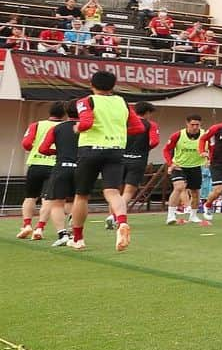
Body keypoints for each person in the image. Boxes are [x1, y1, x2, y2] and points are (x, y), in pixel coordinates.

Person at [69, 69, 146, 251]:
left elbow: (86, 123)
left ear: (91, 85)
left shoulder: (86, 101)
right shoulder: (122, 102)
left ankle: (78, 238)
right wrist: (117, 133)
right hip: (116, 150)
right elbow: (139, 127)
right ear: (113, 86)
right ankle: (121, 222)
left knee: (81, 195)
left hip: (91, 150)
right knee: (112, 191)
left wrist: (77, 128)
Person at [107, 101, 161, 230]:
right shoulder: (150, 125)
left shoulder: (124, 122)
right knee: (128, 192)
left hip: (120, 158)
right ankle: (115, 216)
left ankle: (110, 216)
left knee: (115, 191)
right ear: (147, 113)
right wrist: (144, 149)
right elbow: (154, 141)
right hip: (137, 160)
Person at [16, 102, 64, 240]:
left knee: (30, 197)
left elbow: (26, 143)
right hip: (54, 165)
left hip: (36, 163)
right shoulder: (64, 127)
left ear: (50, 112)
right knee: (47, 199)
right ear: (64, 114)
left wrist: (35, 148)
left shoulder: (36, 125)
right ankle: (40, 228)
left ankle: (26, 225)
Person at [38, 102, 79, 247]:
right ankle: (77, 234)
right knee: (79, 201)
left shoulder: (57, 128)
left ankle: (62, 234)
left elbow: (42, 149)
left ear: (66, 112)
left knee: (57, 203)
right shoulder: (89, 129)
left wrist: (58, 152)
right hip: (82, 168)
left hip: (62, 167)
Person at [163, 114, 206, 224]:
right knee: (179, 187)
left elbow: (212, 148)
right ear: (187, 124)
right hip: (179, 166)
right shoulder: (178, 135)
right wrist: (170, 163)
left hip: (195, 166)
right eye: (192, 124)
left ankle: (193, 215)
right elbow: (166, 150)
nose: (195, 127)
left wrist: (209, 157)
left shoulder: (205, 135)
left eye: (197, 125)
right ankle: (171, 216)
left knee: (195, 192)